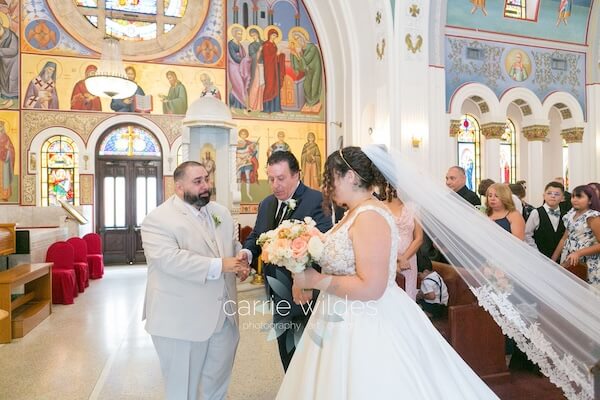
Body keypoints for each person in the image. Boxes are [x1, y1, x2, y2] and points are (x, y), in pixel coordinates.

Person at [279, 146, 499, 399]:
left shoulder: (369, 216)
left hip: (364, 319)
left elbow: (372, 287)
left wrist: (315, 280)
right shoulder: (355, 212)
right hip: (340, 311)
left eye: (332, 178)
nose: (328, 187)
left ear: (350, 177)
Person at [141, 161, 250, 400]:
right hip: (180, 320)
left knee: (217, 384)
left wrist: (242, 259)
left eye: (206, 179)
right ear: (179, 187)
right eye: (198, 182)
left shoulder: (220, 213)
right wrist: (221, 265)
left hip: (224, 317)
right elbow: (170, 260)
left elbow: (231, 247)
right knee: (183, 389)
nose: (205, 186)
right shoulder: (158, 219)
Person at [241, 151, 331, 371]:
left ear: (296, 175)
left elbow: (323, 244)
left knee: (308, 354)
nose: (275, 185)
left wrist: (301, 274)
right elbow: (257, 236)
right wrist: (247, 254)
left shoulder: (317, 200)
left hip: (305, 293)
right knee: (286, 351)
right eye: (271, 178)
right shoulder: (266, 204)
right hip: (277, 292)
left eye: (280, 178)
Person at [552, 185, 600, 288]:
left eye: (579, 197)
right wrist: (553, 260)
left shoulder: (592, 217)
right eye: (573, 196)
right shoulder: (570, 215)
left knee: (586, 295)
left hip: (588, 263)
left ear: (590, 200)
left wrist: (579, 253)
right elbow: (564, 239)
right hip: (569, 259)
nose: (575, 199)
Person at [384, 185, 423, 300]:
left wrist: (404, 258)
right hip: (387, 257)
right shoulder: (381, 207)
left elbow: (419, 237)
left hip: (409, 258)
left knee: (408, 292)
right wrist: (396, 258)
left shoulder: (413, 208)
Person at [525, 182, 566, 259]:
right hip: (540, 256)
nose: (553, 196)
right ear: (544, 196)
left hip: (560, 258)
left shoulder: (566, 215)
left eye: (557, 194)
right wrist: (536, 253)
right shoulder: (536, 213)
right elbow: (527, 234)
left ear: (562, 198)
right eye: (549, 193)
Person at [289, 28, 322, 113]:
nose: (298, 40)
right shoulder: (300, 48)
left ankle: (314, 103)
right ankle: (309, 102)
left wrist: (298, 54)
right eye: (295, 39)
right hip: (307, 71)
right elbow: (301, 66)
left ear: (303, 37)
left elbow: (306, 60)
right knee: (306, 87)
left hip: (314, 70)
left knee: (314, 86)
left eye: (299, 38)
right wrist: (294, 54)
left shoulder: (312, 47)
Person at [227, 24, 250, 110]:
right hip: (233, 67)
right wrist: (244, 60)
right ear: (234, 34)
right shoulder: (230, 44)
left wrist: (246, 60)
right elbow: (234, 57)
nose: (240, 35)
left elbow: (244, 55)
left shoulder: (240, 45)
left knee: (242, 86)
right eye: (239, 34)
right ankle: (232, 106)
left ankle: (240, 106)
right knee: (238, 85)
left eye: (241, 34)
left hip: (241, 68)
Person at [262, 28, 285, 113]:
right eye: (273, 35)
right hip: (269, 69)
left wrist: (281, 55)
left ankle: (276, 108)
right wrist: (276, 55)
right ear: (269, 35)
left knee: (276, 86)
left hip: (275, 69)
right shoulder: (266, 45)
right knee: (270, 86)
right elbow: (266, 57)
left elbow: (276, 56)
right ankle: (267, 108)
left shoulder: (274, 45)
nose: (274, 37)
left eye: (275, 36)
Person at [236, 128, 259, 201]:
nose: (243, 135)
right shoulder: (237, 143)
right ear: (240, 135)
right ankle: (239, 193)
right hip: (239, 162)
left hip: (247, 162)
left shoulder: (249, 143)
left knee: (247, 177)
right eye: (242, 134)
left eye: (244, 134)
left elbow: (255, 151)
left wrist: (252, 154)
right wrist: (239, 158)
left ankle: (248, 194)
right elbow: (234, 152)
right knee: (238, 177)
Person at [0, 19, 19, 108]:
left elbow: (14, 50)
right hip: (4, 64)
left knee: (11, 82)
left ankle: (11, 101)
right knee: (4, 82)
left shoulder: (11, 36)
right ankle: (7, 99)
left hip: (13, 63)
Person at [247, 26, 264, 112]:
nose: (253, 37)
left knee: (262, 85)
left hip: (264, 66)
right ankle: (252, 105)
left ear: (258, 34)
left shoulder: (264, 43)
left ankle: (260, 106)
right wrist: (259, 51)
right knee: (255, 84)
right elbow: (252, 56)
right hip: (256, 66)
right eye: (252, 35)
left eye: (254, 34)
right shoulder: (251, 45)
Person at [0, 121, 14, 201]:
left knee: (4, 178)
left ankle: (5, 195)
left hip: (3, 161)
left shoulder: (6, 137)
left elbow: (11, 149)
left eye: (0, 126)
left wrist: (7, 149)